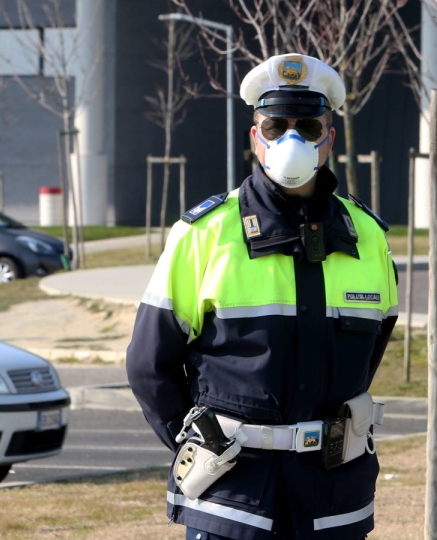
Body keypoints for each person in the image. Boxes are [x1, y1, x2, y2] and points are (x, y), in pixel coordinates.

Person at [126, 52, 399, 540]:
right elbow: (150, 363)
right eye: (275, 126)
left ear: (329, 139)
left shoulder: (368, 235)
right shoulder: (203, 235)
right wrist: (197, 445)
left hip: (334, 497)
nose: (290, 139)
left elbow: (373, 346)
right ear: (255, 137)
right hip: (233, 499)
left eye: (308, 128)